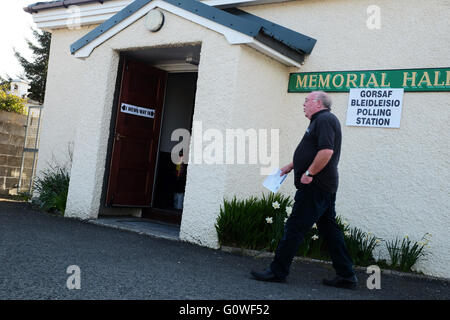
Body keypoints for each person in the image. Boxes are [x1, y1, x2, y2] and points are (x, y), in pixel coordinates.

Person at [250, 91, 358, 289]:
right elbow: (312, 150)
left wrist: (309, 173)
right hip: (322, 186)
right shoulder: (320, 120)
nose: (304, 104)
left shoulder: (325, 119)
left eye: (306, 101)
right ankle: (347, 275)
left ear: (318, 103)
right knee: (330, 231)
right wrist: (291, 166)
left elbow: (326, 151)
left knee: (294, 228)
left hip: (315, 187)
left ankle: (277, 271)